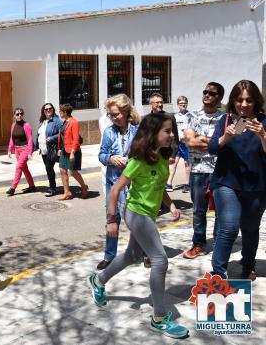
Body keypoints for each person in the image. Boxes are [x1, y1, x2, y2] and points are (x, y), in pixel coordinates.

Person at [89, 113, 189, 339]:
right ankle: (159, 318)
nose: (172, 135)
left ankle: (98, 280)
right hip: (136, 214)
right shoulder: (138, 160)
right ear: (153, 134)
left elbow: (159, 186)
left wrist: (171, 204)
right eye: (167, 131)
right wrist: (110, 221)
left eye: (172, 130)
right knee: (160, 260)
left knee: (132, 254)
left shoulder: (163, 156)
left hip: (149, 215)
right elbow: (115, 190)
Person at [208, 80, 266, 280]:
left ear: (256, 101)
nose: (244, 104)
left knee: (250, 229)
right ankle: (218, 274)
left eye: (249, 100)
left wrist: (262, 135)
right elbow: (213, 148)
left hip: (257, 186)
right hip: (226, 183)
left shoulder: (264, 122)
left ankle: (248, 265)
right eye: (240, 100)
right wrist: (226, 137)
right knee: (229, 227)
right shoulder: (225, 120)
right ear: (233, 100)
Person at [96, 94, 140, 270]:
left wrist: (130, 160)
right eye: (110, 115)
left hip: (134, 181)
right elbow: (101, 155)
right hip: (114, 181)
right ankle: (109, 255)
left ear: (126, 112)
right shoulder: (109, 132)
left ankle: (143, 251)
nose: (113, 118)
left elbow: (145, 153)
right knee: (112, 217)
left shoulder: (138, 130)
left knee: (137, 218)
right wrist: (111, 158)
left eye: (115, 114)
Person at [182, 82, 225, 259]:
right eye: (205, 92)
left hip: (221, 171)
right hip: (198, 170)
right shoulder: (191, 116)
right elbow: (190, 142)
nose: (207, 95)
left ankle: (220, 244)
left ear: (219, 98)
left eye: (212, 93)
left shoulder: (227, 118)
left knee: (221, 211)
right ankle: (199, 245)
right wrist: (216, 141)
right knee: (199, 211)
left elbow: (231, 143)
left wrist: (203, 140)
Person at [56, 104, 88, 200]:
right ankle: (67, 192)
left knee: (73, 172)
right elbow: (62, 136)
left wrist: (73, 152)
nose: (59, 113)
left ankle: (83, 187)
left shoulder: (74, 122)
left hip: (72, 151)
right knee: (62, 170)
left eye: (61, 111)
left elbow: (76, 139)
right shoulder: (64, 122)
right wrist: (59, 148)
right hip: (64, 150)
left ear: (65, 112)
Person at [6, 107, 36, 196]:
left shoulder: (26, 125)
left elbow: (30, 139)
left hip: (25, 149)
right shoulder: (13, 125)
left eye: (21, 114)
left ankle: (13, 188)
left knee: (19, 167)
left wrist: (30, 152)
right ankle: (32, 186)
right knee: (24, 168)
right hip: (17, 150)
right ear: (14, 115)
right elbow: (12, 138)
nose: (19, 115)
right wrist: (9, 150)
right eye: (17, 114)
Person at [35, 102, 62, 197]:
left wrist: (52, 138)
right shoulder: (42, 121)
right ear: (43, 111)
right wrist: (37, 146)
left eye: (50, 108)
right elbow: (39, 134)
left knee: (49, 168)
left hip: (52, 148)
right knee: (48, 168)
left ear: (53, 110)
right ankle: (53, 187)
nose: (48, 110)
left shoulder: (57, 121)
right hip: (43, 150)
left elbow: (62, 133)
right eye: (46, 109)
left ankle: (52, 188)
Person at [166, 96, 191, 192]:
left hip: (186, 143)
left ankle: (187, 184)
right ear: (178, 105)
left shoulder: (190, 115)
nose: (183, 105)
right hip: (176, 143)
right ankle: (169, 184)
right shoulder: (175, 116)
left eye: (185, 103)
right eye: (181, 103)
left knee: (186, 163)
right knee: (173, 162)